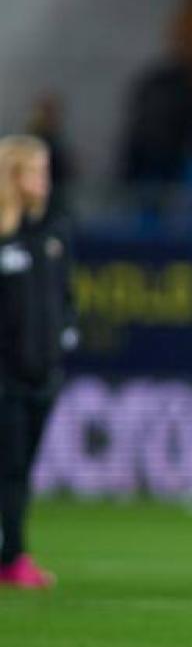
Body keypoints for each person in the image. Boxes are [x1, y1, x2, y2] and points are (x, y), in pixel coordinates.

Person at [0, 135, 75, 589]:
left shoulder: (53, 233)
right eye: (34, 172)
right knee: (8, 468)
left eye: (45, 172)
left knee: (19, 469)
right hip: (3, 375)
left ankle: (12, 552)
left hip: (41, 372)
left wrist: (64, 334)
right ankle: (14, 555)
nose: (42, 182)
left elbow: (64, 297)